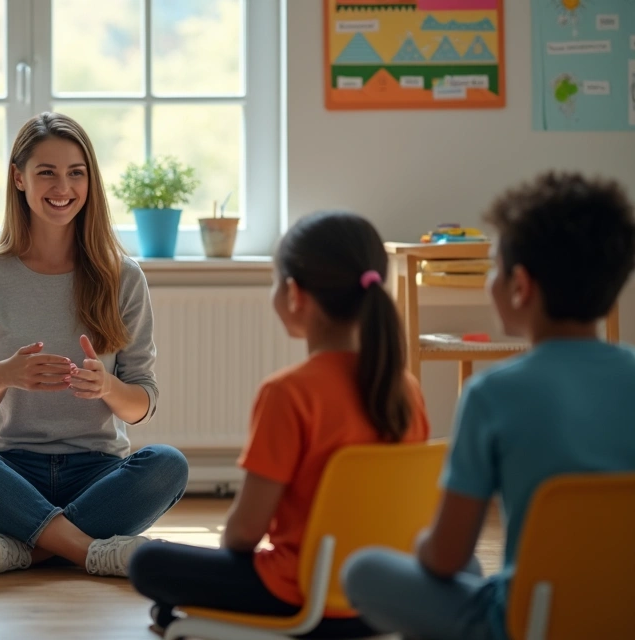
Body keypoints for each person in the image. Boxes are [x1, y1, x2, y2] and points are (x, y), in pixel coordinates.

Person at [343, 172, 635, 640]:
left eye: (494, 268)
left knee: (364, 571)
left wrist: (419, 545)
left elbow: (446, 557)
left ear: (521, 285)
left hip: (526, 622)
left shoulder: (493, 394)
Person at [130, 210, 430, 638]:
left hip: (301, 594)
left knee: (148, 562)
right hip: (381, 599)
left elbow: (244, 534)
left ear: (294, 294)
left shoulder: (288, 393)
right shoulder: (407, 389)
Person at [0, 112, 189, 579]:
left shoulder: (123, 277)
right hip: (6, 477)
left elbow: (140, 405)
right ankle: (90, 550)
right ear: (19, 178)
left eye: (76, 172)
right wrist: (0, 378)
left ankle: (28, 550)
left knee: (168, 464)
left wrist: (108, 386)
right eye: (46, 172)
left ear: (90, 180)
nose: (62, 186)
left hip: (97, 474)